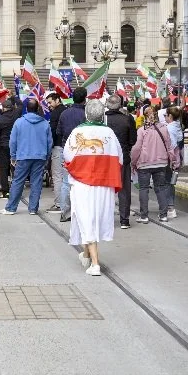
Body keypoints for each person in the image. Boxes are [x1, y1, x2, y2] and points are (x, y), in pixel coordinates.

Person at [63, 99, 123, 277]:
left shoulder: (78, 131)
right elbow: (119, 158)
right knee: (94, 219)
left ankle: (95, 264)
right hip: (104, 183)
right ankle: (86, 254)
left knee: (86, 218)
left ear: (87, 114)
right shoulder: (110, 133)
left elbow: (67, 156)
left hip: (83, 183)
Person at [1, 99, 53, 215]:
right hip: (40, 156)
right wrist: (47, 156)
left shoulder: (19, 122)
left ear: (26, 109)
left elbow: (13, 141)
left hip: (23, 156)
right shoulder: (45, 123)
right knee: (36, 182)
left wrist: (13, 156)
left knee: (18, 181)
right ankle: (33, 208)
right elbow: (49, 143)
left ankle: (11, 208)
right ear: (37, 108)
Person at [130, 105, 178, 223]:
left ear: (145, 116)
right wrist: (173, 161)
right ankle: (163, 215)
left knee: (144, 189)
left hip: (144, 163)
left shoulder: (142, 130)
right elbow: (169, 146)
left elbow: (136, 148)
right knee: (161, 188)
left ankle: (144, 216)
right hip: (161, 163)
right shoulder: (164, 128)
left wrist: (133, 162)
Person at [103, 94, 137, 229]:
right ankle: (124, 219)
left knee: (105, 189)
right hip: (122, 157)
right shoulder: (127, 119)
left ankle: (105, 219)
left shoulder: (102, 120)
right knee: (124, 189)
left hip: (105, 158)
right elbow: (133, 140)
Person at [55, 87, 88, 222]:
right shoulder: (86, 114)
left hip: (68, 151)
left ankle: (65, 212)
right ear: (84, 99)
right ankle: (82, 212)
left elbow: (59, 132)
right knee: (84, 182)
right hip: (83, 152)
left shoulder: (64, 114)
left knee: (65, 182)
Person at [0, 95, 20, 198]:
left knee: (3, 169)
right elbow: (21, 105)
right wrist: (14, 96)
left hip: (3, 146)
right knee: (15, 168)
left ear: (3, 108)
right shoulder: (16, 115)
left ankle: (5, 191)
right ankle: (16, 190)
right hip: (15, 145)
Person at [46, 92, 66, 212]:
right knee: (67, 177)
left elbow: (52, 132)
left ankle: (59, 204)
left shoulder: (55, 114)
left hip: (58, 147)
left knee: (57, 177)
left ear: (57, 100)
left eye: (50, 102)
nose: (49, 105)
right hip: (69, 147)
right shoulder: (67, 111)